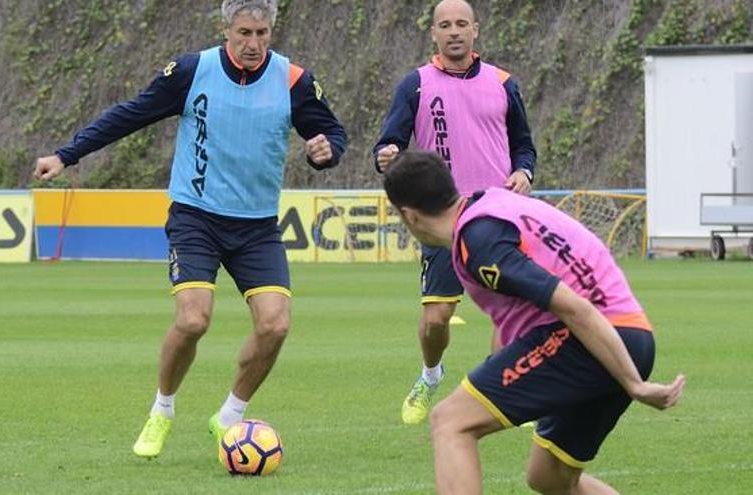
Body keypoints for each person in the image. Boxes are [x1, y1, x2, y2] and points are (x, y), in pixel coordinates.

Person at [33, 0, 346, 459]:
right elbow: (130, 114)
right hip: (196, 216)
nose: (253, 42)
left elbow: (331, 133)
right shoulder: (190, 71)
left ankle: (229, 418)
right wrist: (67, 154)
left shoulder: (294, 81)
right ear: (226, 29)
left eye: (261, 33)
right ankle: (162, 409)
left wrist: (325, 151)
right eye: (244, 32)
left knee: (275, 325)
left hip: (257, 225)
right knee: (194, 318)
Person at [382, 150, 685, 494]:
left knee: (450, 422)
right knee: (550, 477)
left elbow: (575, 307)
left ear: (408, 215)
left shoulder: (479, 243)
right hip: (629, 333)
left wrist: (634, 384)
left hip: (595, 339)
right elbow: (516, 313)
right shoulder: (493, 203)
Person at [373, 0, 537, 425]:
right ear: (433, 33)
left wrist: (524, 170)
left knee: (508, 315)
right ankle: (431, 375)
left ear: (476, 29)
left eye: (461, 24)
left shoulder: (503, 83)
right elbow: (388, 141)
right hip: (443, 219)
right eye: (445, 25)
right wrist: (387, 154)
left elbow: (523, 143)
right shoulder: (416, 85)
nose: (454, 32)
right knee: (435, 319)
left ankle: (495, 395)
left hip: (499, 216)